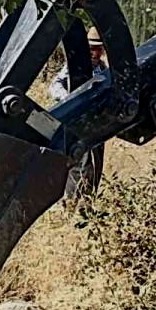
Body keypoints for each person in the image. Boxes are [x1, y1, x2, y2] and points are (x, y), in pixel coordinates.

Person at [49, 27, 107, 199]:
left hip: (95, 125)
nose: (95, 54)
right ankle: (70, 203)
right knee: (76, 163)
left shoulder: (104, 70)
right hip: (75, 124)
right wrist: (69, 99)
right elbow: (54, 86)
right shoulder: (75, 67)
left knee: (93, 166)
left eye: (98, 49)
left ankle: (87, 203)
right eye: (92, 49)